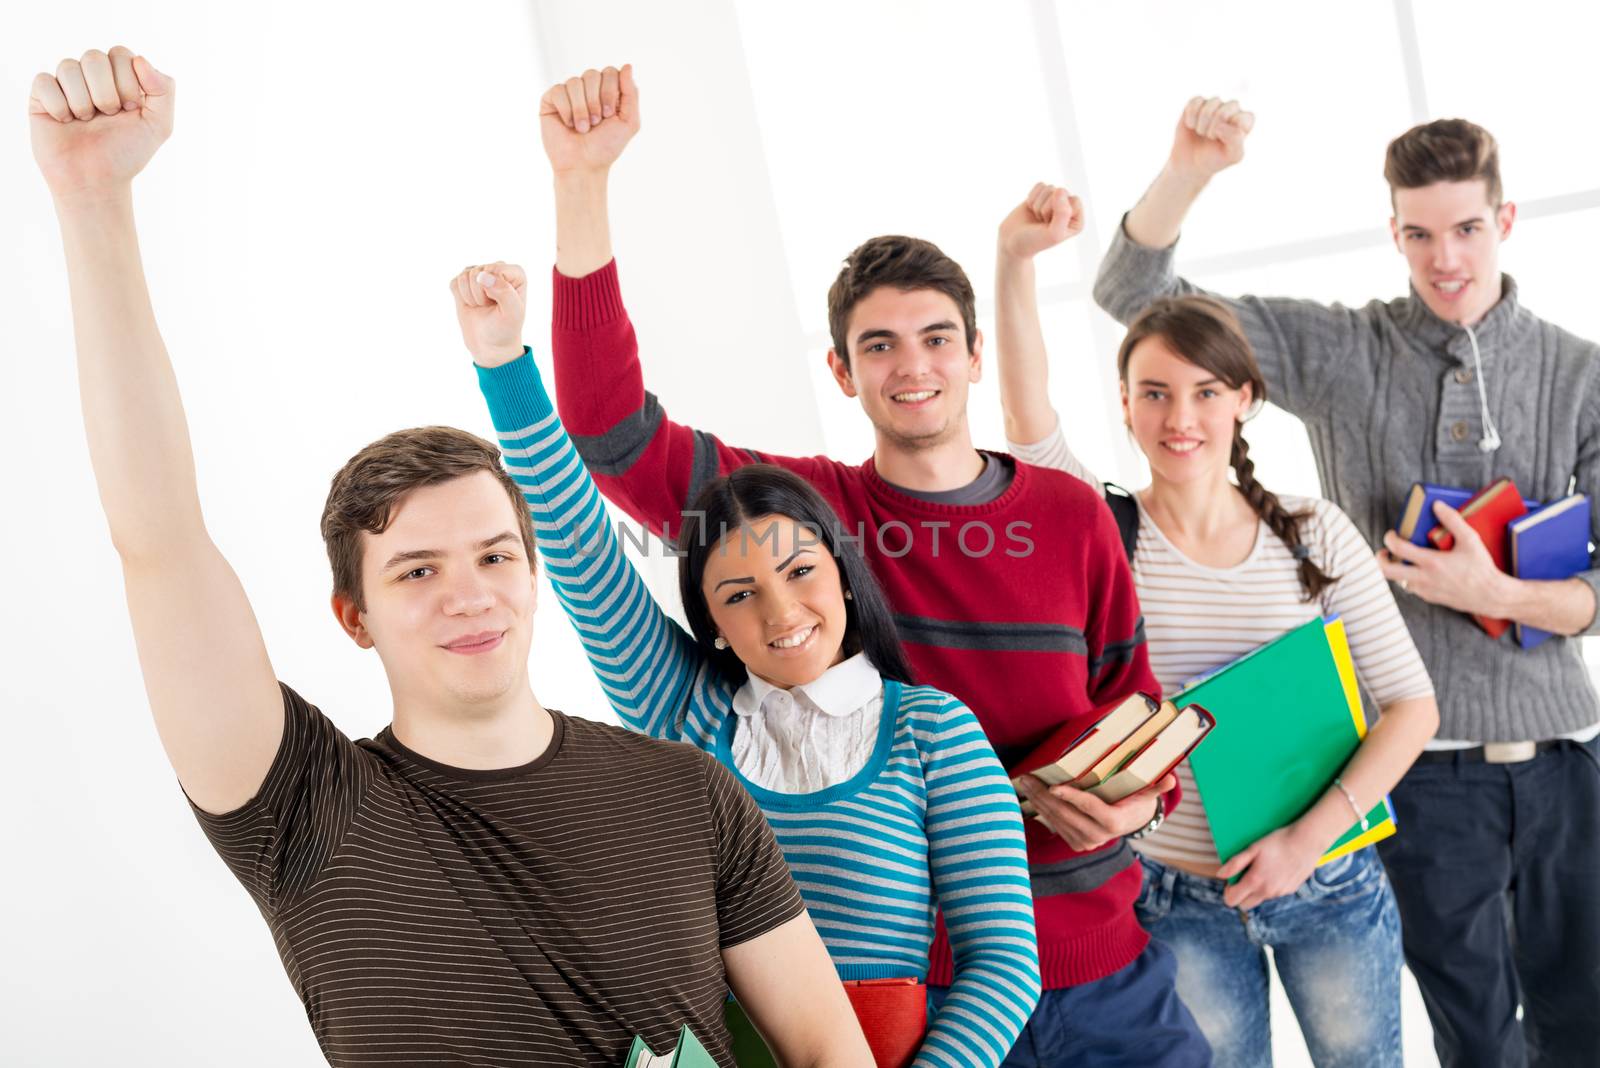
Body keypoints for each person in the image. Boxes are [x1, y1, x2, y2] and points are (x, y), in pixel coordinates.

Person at [28, 45, 871, 1068]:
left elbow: (831, 1051)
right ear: (354, 614)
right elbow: (157, 539)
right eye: (416, 571)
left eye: (493, 556)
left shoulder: (689, 793)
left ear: (532, 573)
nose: (469, 595)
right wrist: (92, 202)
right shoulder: (299, 805)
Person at [517, 64, 1213, 1066]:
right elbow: (607, 432)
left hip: (1104, 970)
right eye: (878, 345)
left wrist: (1137, 801)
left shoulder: (1072, 513)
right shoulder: (801, 520)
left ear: (976, 354)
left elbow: (1137, 712)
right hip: (931, 1001)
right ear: (841, 373)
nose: (912, 365)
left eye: (935, 338)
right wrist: (581, 186)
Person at [1092, 96, 1600, 1068]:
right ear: (1392, 232)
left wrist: (1499, 598)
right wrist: (1190, 169)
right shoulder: (1341, 351)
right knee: (1477, 1044)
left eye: (1464, 228)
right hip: (1417, 767)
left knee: (1583, 1026)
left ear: (1505, 220)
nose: (1443, 258)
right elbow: (1132, 289)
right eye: (1417, 234)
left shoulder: (1579, 373)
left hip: (1568, 758)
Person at [449, 260, 1040, 1068]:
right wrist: (500, 361)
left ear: (843, 571)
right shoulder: (687, 713)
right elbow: (581, 545)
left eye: (800, 573)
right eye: (739, 594)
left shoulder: (934, 733)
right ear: (714, 625)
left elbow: (1004, 968)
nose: (781, 613)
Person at [993, 183, 1440, 1066]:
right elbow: (1024, 417)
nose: (1179, 418)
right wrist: (1013, 261)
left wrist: (1304, 845)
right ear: (1124, 405)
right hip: (1177, 895)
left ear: (1243, 399)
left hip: (1327, 880)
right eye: (1153, 393)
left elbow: (1412, 706)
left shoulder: (1313, 531)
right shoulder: (1103, 530)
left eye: (1204, 392)